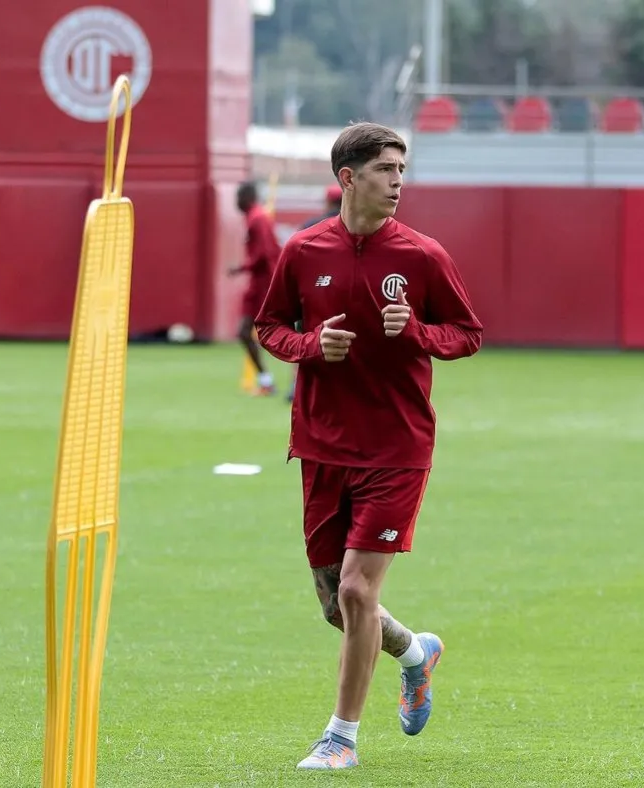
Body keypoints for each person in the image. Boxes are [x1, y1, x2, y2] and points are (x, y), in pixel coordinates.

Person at [254, 122, 483, 770]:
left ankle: (340, 739)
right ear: (348, 177)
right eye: (386, 170)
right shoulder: (301, 252)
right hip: (322, 446)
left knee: (357, 591)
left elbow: (467, 333)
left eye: (403, 170)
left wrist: (416, 331)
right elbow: (269, 325)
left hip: (397, 447)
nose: (398, 182)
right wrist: (308, 347)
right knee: (338, 606)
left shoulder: (422, 256)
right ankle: (415, 653)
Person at [285, 184, 344, 403]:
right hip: (342, 296)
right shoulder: (356, 228)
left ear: (328, 202)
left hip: (311, 293)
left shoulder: (310, 226)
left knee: (304, 337)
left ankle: (296, 384)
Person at [228, 181, 281, 395]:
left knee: (272, 332)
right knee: (246, 332)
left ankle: (273, 382)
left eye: (238, 197)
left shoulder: (257, 219)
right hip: (259, 284)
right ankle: (266, 381)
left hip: (263, 285)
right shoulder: (256, 218)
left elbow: (264, 254)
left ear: (246, 197)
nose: (236, 202)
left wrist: (240, 267)